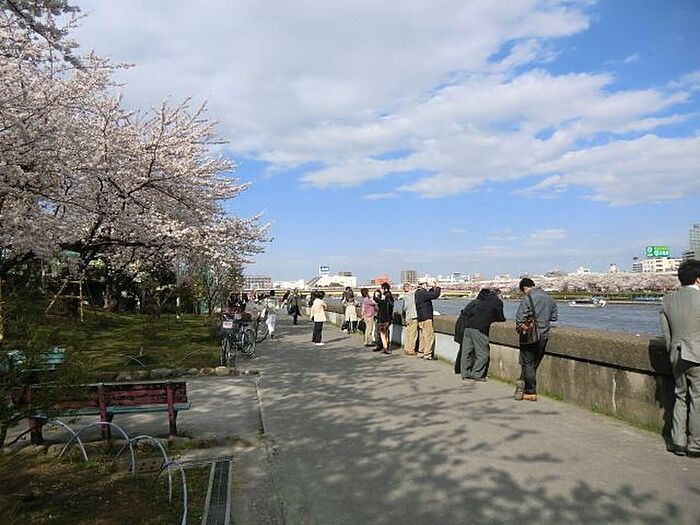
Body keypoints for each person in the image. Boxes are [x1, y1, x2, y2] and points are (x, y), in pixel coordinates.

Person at [660, 260, 700, 457]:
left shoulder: (667, 300)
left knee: (680, 396)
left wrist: (672, 352)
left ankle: (678, 441)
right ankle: (695, 444)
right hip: (697, 355)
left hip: (676, 354)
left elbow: (666, 334)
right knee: (697, 399)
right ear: (698, 279)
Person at [514, 278, 558, 401]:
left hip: (530, 335)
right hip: (543, 335)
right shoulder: (549, 298)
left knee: (527, 362)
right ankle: (522, 387)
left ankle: (530, 391)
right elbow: (554, 317)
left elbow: (520, 318)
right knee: (533, 363)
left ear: (524, 288)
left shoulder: (528, 297)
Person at [454, 289, 505, 381]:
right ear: (498, 295)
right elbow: (500, 317)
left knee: (467, 352)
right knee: (483, 354)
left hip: (468, 327)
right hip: (479, 329)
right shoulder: (497, 302)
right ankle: (477, 374)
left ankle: (465, 373)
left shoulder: (480, 301)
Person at [415, 279, 441, 360]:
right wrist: (437, 287)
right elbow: (435, 295)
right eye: (426, 284)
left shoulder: (418, 292)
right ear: (423, 284)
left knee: (422, 336)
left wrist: (432, 288)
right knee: (429, 336)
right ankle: (427, 354)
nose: (427, 286)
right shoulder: (423, 293)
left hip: (420, 317)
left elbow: (429, 294)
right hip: (426, 317)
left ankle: (421, 352)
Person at [374, 283, 394, 354]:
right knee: (385, 332)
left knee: (382, 333)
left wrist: (376, 294)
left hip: (382, 318)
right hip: (388, 317)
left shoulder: (384, 299)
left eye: (382, 288)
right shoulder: (389, 297)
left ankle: (385, 347)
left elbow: (376, 299)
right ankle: (386, 346)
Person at [401, 282, 419, 355]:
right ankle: (411, 350)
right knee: (413, 334)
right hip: (413, 316)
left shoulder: (405, 296)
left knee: (408, 334)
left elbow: (404, 308)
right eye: (411, 287)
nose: (412, 288)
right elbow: (417, 290)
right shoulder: (412, 294)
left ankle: (406, 348)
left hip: (408, 317)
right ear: (408, 288)